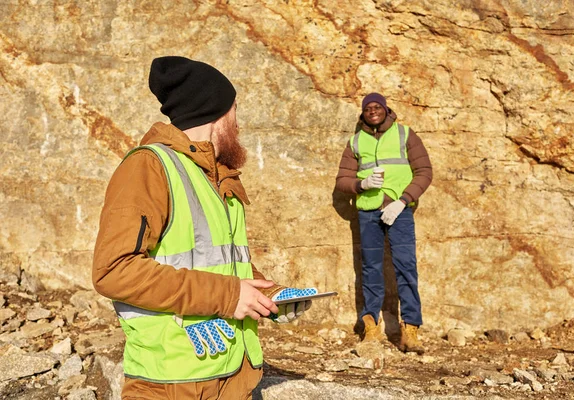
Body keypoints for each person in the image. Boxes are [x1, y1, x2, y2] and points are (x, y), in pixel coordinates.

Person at [92, 56, 314, 399]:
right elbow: (114, 270)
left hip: (229, 376)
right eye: (234, 111)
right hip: (171, 381)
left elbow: (219, 262)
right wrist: (227, 296)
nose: (238, 125)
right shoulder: (149, 168)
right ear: (216, 112)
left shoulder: (214, 177)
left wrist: (268, 295)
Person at [335, 92, 432, 354]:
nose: (373, 111)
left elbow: (424, 172)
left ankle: (410, 329)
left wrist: (403, 201)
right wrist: (361, 184)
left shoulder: (404, 134)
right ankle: (371, 328)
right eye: (368, 108)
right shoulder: (356, 141)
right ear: (363, 113)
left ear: (386, 110)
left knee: (406, 268)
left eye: (378, 107)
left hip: (399, 211)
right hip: (368, 214)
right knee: (371, 271)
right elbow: (342, 180)